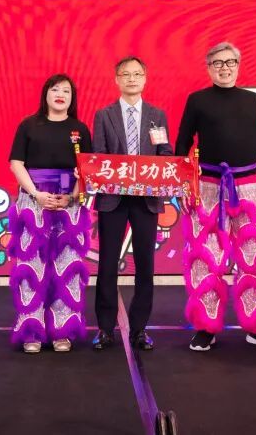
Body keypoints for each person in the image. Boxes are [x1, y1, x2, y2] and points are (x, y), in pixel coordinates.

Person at [175, 42, 256, 352]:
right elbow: (182, 144)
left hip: (250, 186)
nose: (224, 68)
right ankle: (205, 327)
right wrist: (184, 185)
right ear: (209, 68)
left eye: (230, 62)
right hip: (208, 187)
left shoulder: (253, 100)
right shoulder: (197, 100)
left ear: (238, 65)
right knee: (205, 258)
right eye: (217, 63)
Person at [91, 56, 173, 352]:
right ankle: (104, 329)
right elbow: (98, 155)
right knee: (107, 264)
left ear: (145, 79)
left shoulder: (156, 115)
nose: (131, 79)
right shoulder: (104, 115)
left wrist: (162, 170)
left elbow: (165, 152)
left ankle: (139, 329)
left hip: (146, 200)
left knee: (145, 265)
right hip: (113, 199)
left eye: (137, 74)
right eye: (125, 74)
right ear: (117, 79)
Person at [8, 74, 92, 353]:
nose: (60, 94)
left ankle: (62, 330)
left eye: (66, 91)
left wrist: (71, 196)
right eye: (55, 89)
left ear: (72, 97)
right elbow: (16, 163)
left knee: (67, 266)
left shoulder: (80, 129)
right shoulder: (29, 125)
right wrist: (36, 194)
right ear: (45, 94)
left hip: (68, 203)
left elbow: (87, 169)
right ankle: (31, 330)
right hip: (34, 200)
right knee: (31, 265)